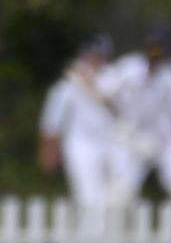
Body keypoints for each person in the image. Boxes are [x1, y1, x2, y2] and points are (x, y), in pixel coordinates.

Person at [105, 28, 171, 204]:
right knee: (118, 196)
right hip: (132, 138)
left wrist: (170, 134)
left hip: (166, 138)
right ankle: (120, 230)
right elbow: (106, 96)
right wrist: (123, 122)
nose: (157, 52)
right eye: (154, 46)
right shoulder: (129, 67)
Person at [38, 36, 124, 205]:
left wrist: (92, 84)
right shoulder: (69, 82)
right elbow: (52, 120)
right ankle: (92, 230)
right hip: (81, 143)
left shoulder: (114, 78)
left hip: (114, 141)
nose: (97, 60)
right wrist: (49, 149)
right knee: (88, 195)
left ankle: (112, 230)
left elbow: (123, 109)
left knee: (117, 194)